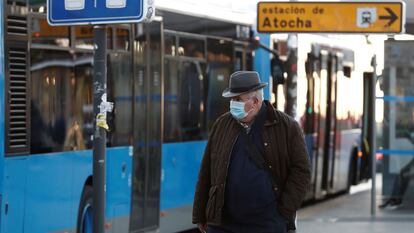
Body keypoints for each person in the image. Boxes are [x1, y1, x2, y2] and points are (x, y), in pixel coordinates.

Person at [192, 71, 311, 233]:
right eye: (232, 99)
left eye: (238, 99)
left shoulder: (286, 127)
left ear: (255, 101)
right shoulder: (222, 124)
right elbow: (206, 171)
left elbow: (301, 171)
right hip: (223, 224)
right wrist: (200, 214)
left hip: (266, 224)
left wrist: (285, 211)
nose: (233, 104)